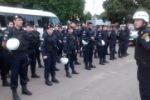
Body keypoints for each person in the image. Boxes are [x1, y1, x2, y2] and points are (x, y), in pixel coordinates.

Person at [3, 15, 32, 100]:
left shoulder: (24, 31)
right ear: (14, 21)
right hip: (15, 56)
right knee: (14, 75)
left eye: (21, 20)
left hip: (23, 55)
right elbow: (3, 44)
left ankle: (24, 89)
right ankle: (14, 92)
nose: (21, 21)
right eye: (18, 20)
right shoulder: (9, 31)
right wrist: (10, 50)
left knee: (24, 73)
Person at [133, 11, 150, 100]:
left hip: (145, 67)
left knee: (145, 91)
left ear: (144, 21)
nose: (135, 22)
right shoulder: (142, 32)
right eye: (135, 20)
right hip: (145, 66)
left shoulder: (144, 33)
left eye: (138, 20)